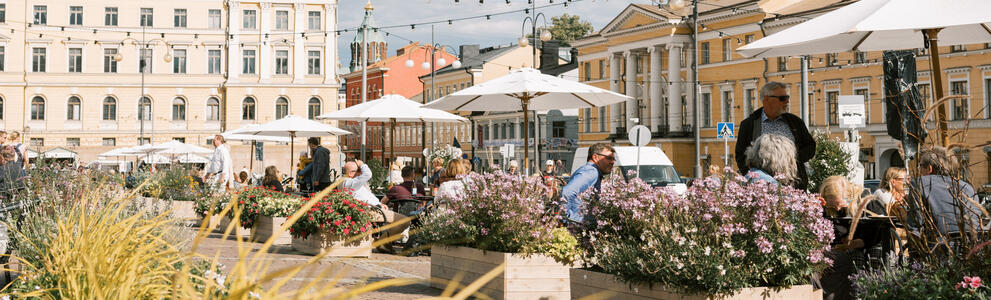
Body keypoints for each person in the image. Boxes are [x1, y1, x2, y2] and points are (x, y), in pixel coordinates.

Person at [735, 82, 816, 190]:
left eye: (787, 97)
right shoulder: (749, 124)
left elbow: (810, 147)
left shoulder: (795, 122)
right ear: (767, 99)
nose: (787, 101)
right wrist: (753, 178)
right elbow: (741, 155)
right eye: (782, 98)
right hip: (763, 187)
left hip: (793, 184)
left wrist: (791, 158)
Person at [904, 146, 986, 237]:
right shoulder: (967, 186)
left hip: (938, 245)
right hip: (971, 244)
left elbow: (915, 225)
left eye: (921, 166)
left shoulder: (919, 183)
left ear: (929, 168)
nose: (919, 170)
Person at [345, 160, 409, 248]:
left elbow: (366, 197)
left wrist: (379, 204)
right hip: (371, 211)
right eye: (359, 170)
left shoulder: (354, 183)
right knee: (404, 221)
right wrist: (362, 164)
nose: (361, 172)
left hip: (376, 209)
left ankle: (382, 242)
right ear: (350, 173)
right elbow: (368, 174)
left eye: (360, 170)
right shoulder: (349, 183)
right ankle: (382, 242)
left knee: (404, 221)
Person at [561, 143, 615, 223]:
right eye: (609, 158)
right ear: (595, 157)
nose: (612, 162)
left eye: (613, 159)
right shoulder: (591, 172)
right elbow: (567, 193)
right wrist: (567, 219)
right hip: (577, 227)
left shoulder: (591, 171)